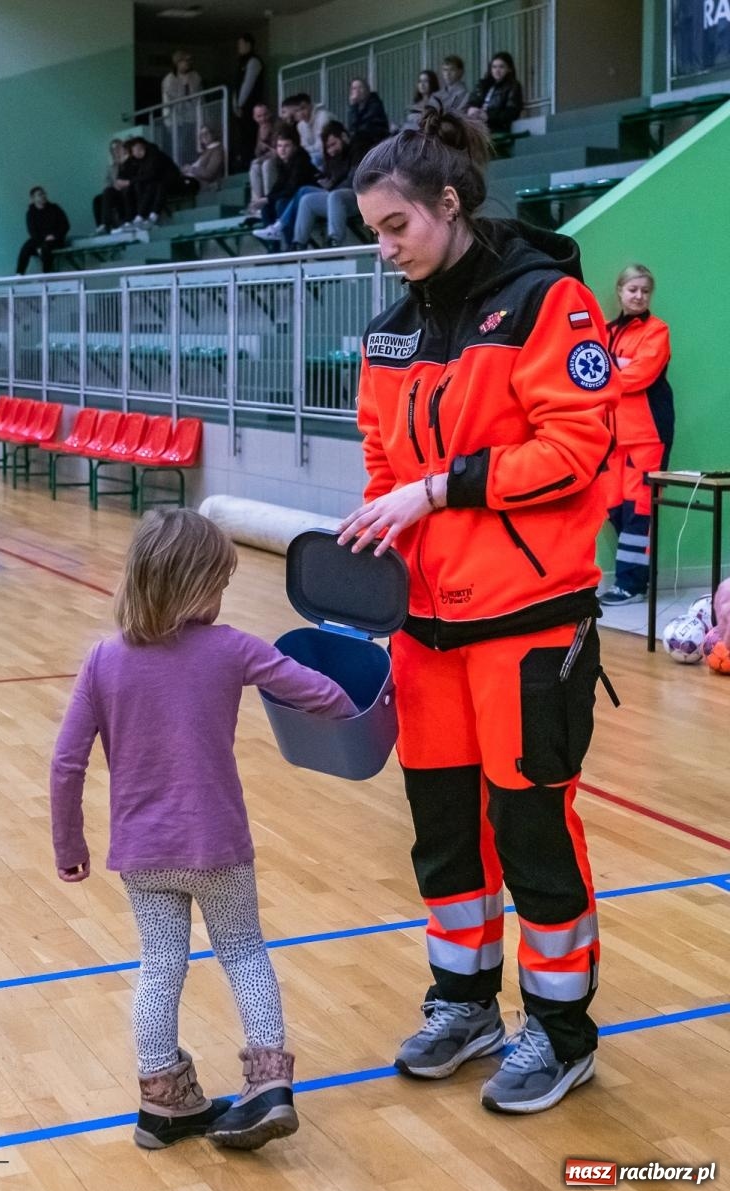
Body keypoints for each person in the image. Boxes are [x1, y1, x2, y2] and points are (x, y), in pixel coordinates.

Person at [337, 107, 621, 1116]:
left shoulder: (548, 303)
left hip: (529, 623)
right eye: (372, 231)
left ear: (446, 205)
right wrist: (383, 514)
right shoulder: (388, 329)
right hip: (425, 631)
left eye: (393, 227)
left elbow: (574, 450)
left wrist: (439, 490)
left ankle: (559, 1030)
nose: (382, 248)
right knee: (444, 832)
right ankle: (463, 1003)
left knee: (532, 831)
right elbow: (382, 456)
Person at [50, 508, 356, 1151]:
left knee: (160, 964)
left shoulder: (104, 660)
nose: (223, 598)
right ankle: (269, 1086)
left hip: (144, 853)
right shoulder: (234, 648)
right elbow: (320, 695)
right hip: (218, 846)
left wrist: (69, 845)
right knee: (244, 952)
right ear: (194, 586)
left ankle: (163, 1105)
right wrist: (365, 706)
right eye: (219, 584)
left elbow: (66, 763)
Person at [598, 265, 674, 605]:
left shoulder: (657, 330)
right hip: (610, 436)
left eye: (645, 290)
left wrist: (611, 368)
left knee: (639, 510)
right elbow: (588, 373)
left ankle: (632, 584)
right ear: (620, 291)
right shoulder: (604, 330)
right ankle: (631, 579)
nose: (639, 296)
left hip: (646, 436)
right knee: (611, 506)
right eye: (633, 289)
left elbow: (641, 375)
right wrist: (620, 364)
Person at [291, 122, 360, 249]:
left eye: (334, 144)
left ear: (344, 137)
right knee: (307, 200)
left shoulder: (357, 149)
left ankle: (334, 240)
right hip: (336, 199)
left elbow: (353, 181)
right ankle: (299, 244)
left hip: (359, 197)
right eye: (328, 147)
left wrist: (332, 187)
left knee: (334, 195)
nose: (331, 150)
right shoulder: (332, 159)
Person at [252, 123, 318, 240]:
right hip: (293, 198)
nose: (282, 150)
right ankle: (273, 247)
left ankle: (290, 245)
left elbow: (293, 188)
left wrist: (269, 198)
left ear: (295, 147)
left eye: (286, 146)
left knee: (281, 203)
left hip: (307, 199)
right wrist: (266, 199)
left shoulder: (301, 160)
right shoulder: (283, 162)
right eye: (279, 146)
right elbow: (279, 184)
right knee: (266, 208)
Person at [126, 137, 183, 227]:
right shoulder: (140, 161)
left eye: (135, 150)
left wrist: (131, 181)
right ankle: (140, 216)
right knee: (140, 187)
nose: (135, 153)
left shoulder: (154, 155)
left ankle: (151, 216)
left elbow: (153, 174)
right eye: (133, 151)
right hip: (158, 183)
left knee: (156, 185)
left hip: (173, 182)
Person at [16, 186, 70, 275]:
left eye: (44, 193)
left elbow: (65, 225)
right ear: (33, 199)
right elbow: (32, 231)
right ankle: (19, 273)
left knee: (46, 248)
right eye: (40, 195)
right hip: (39, 240)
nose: (43, 196)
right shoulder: (31, 213)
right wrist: (39, 245)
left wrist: (54, 236)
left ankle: (46, 274)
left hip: (55, 240)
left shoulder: (55, 208)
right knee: (26, 247)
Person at [162, 50, 203, 165]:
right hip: (178, 120)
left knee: (196, 145)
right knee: (179, 147)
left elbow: (200, 98)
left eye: (189, 61)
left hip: (194, 118)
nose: (187, 63)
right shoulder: (169, 79)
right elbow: (166, 102)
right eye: (184, 61)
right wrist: (168, 121)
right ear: (177, 63)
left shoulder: (196, 77)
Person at [466, 51, 524, 134]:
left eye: (501, 67)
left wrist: (488, 116)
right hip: (477, 125)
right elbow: (473, 100)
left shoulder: (513, 86)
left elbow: (511, 112)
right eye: (494, 67)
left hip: (497, 128)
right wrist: (472, 108)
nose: (497, 70)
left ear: (509, 69)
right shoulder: (483, 84)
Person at [234, 33, 265, 169]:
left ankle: (251, 164)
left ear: (248, 45)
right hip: (241, 107)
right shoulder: (241, 62)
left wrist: (240, 104)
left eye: (241, 44)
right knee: (242, 137)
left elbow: (248, 84)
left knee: (250, 135)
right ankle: (245, 163)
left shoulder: (254, 61)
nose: (238, 47)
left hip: (250, 106)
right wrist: (235, 105)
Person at [346, 78, 389, 159]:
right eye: (354, 88)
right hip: (362, 143)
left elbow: (362, 127)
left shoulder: (375, 103)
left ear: (367, 89)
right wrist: (353, 106)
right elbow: (352, 127)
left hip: (376, 140)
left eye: (360, 87)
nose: (357, 91)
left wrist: (353, 107)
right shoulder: (355, 108)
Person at [93, 139, 130, 234]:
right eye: (113, 149)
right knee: (98, 199)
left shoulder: (130, 162)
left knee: (111, 193)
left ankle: (114, 223)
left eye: (118, 148)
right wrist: (114, 186)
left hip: (128, 189)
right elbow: (106, 182)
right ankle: (103, 225)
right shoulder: (111, 167)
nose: (116, 151)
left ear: (123, 148)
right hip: (115, 191)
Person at [247, 103, 277, 214]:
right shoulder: (259, 129)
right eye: (259, 116)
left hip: (278, 161)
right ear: (254, 118)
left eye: (265, 115)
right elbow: (257, 153)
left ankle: (269, 200)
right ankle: (256, 204)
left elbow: (278, 151)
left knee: (266, 165)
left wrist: (266, 149)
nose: (263, 118)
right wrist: (261, 145)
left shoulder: (277, 125)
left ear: (270, 114)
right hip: (266, 158)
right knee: (254, 165)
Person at [295, 92, 334, 168]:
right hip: (315, 156)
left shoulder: (323, 117)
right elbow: (304, 147)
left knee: (313, 161)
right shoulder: (300, 125)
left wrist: (310, 150)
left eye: (303, 108)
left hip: (332, 152)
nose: (301, 113)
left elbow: (322, 146)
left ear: (310, 105)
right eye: (297, 110)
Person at [182, 125, 225, 190]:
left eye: (206, 133)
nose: (204, 136)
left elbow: (209, 174)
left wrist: (191, 169)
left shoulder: (217, 150)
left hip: (204, 187)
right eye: (201, 135)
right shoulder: (206, 151)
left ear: (213, 134)